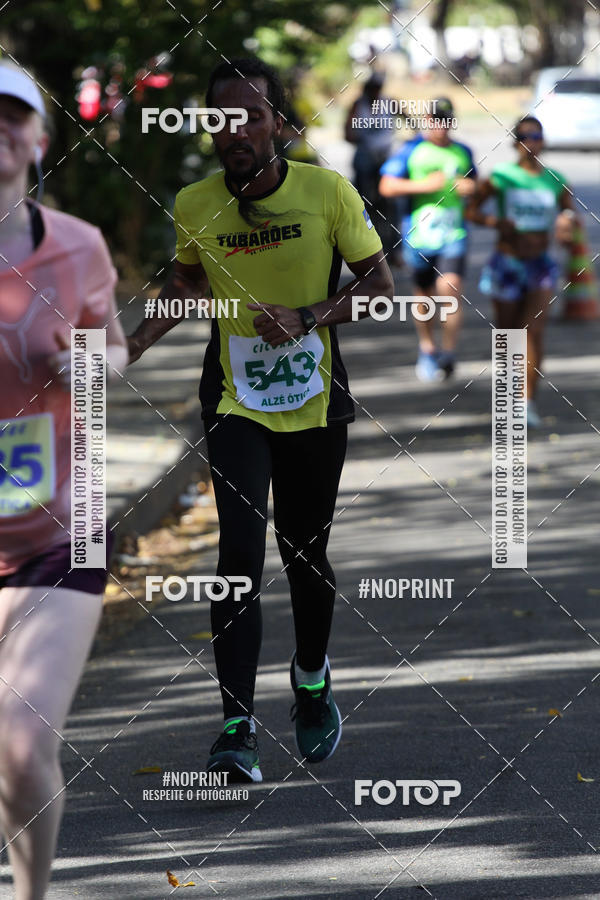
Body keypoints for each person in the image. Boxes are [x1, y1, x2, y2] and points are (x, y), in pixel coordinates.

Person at [127, 57, 393, 782]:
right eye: (220, 117)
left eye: (249, 115)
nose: (234, 129)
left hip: (314, 397)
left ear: (278, 122)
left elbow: (379, 284)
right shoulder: (194, 202)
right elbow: (186, 282)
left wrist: (309, 316)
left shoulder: (326, 192)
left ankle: (311, 680)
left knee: (305, 553)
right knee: (237, 556)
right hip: (235, 398)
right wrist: (131, 345)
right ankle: (236, 727)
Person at [0, 63, 127, 898]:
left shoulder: (77, 245)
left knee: (19, 739)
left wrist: (76, 361)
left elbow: (113, 352)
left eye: (11, 117)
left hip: (61, 523)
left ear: (39, 139)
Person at [465, 115, 577, 427]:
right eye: (525, 136)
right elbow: (471, 210)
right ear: (515, 143)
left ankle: (527, 402)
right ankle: (507, 396)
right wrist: (495, 223)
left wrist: (567, 224)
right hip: (507, 262)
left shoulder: (555, 178)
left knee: (534, 333)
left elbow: (570, 215)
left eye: (537, 136)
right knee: (508, 334)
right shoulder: (501, 176)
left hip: (540, 264)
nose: (532, 143)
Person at [379, 98, 477, 381]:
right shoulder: (411, 150)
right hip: (419, 235)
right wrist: (424, 185)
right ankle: (428, 348)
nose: (441, 125)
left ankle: (448, 353)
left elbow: (476, 186)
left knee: (451, 287)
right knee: (424, 296)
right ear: (427, 119)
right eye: (436, 119)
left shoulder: (463, 151)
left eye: (446, 119)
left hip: (453, 233)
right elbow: (386, 186)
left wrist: (471, 187)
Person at [345, 72, 399, 263]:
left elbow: (409, 119)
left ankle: (393, 250)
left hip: (386, 158)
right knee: (364, 205)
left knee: (391, 205)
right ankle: (368, 250)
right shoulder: (357, 105)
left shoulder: (389, 102)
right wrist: (359, 137)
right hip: (366, 158)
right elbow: (347, 133)